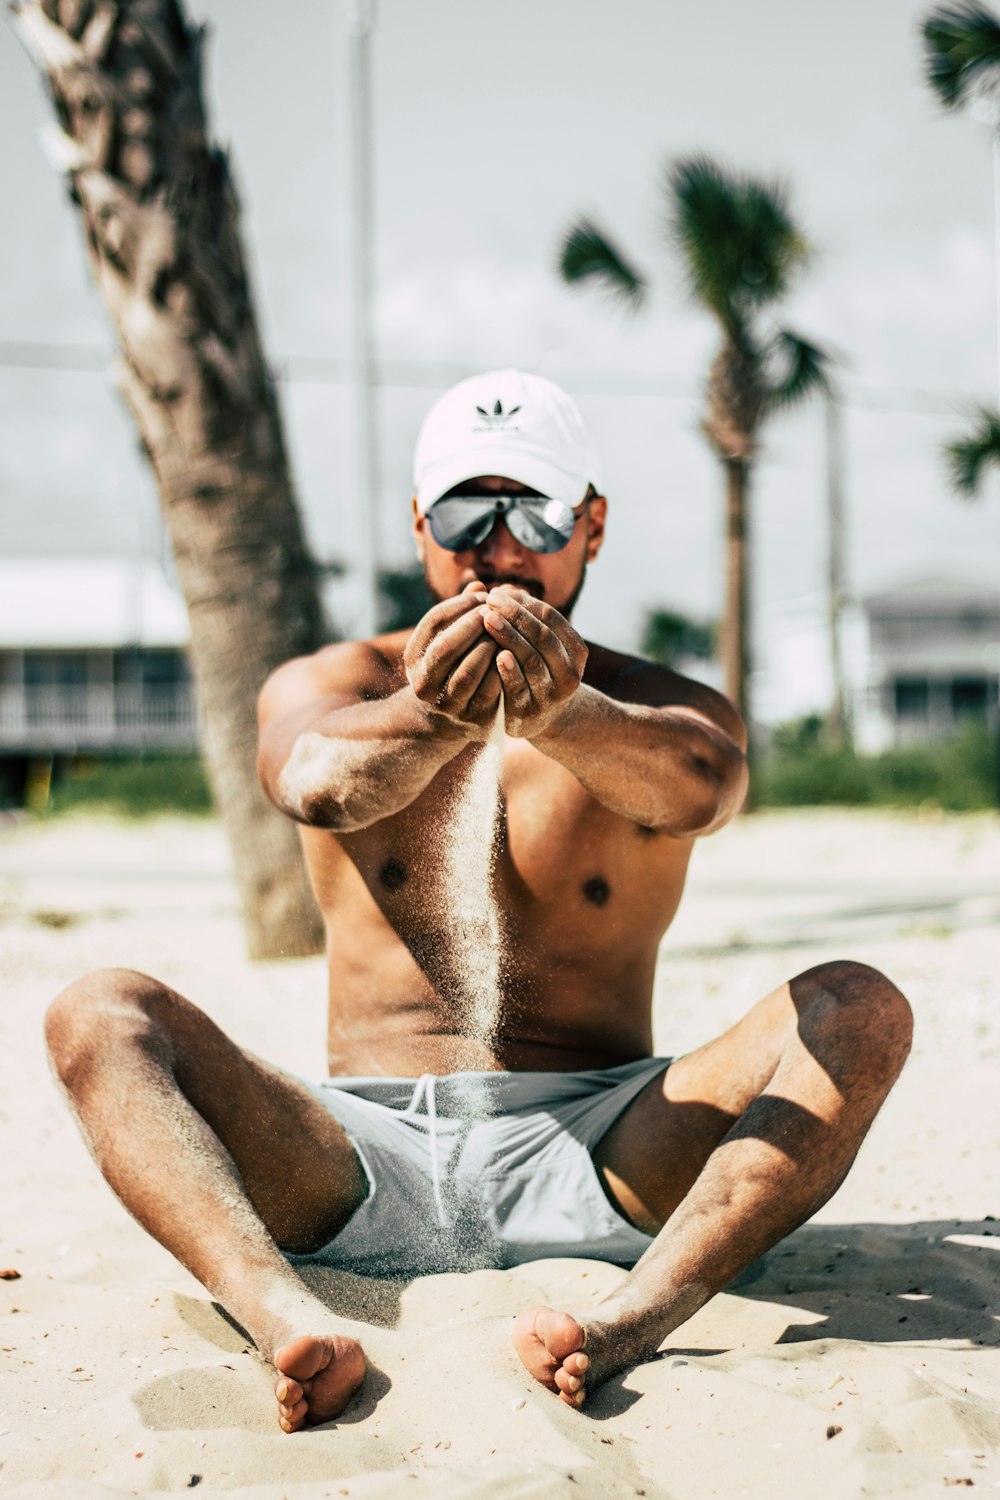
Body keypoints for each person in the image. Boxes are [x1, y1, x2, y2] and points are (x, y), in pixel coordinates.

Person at [44, 370, 912, 1433]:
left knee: (858, 1007)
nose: (497, 548)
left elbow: (704, 788)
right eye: (465, 511)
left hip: (605, 1151)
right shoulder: (338, 683)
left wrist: (565, 714)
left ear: (590, 527)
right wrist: (435, 717)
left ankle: (630, 1319)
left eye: (533, 512)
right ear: (419, 526)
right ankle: (278, 1316)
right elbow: (313, 777)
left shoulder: (660, 706)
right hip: (352, 1153)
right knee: (98, 1012)